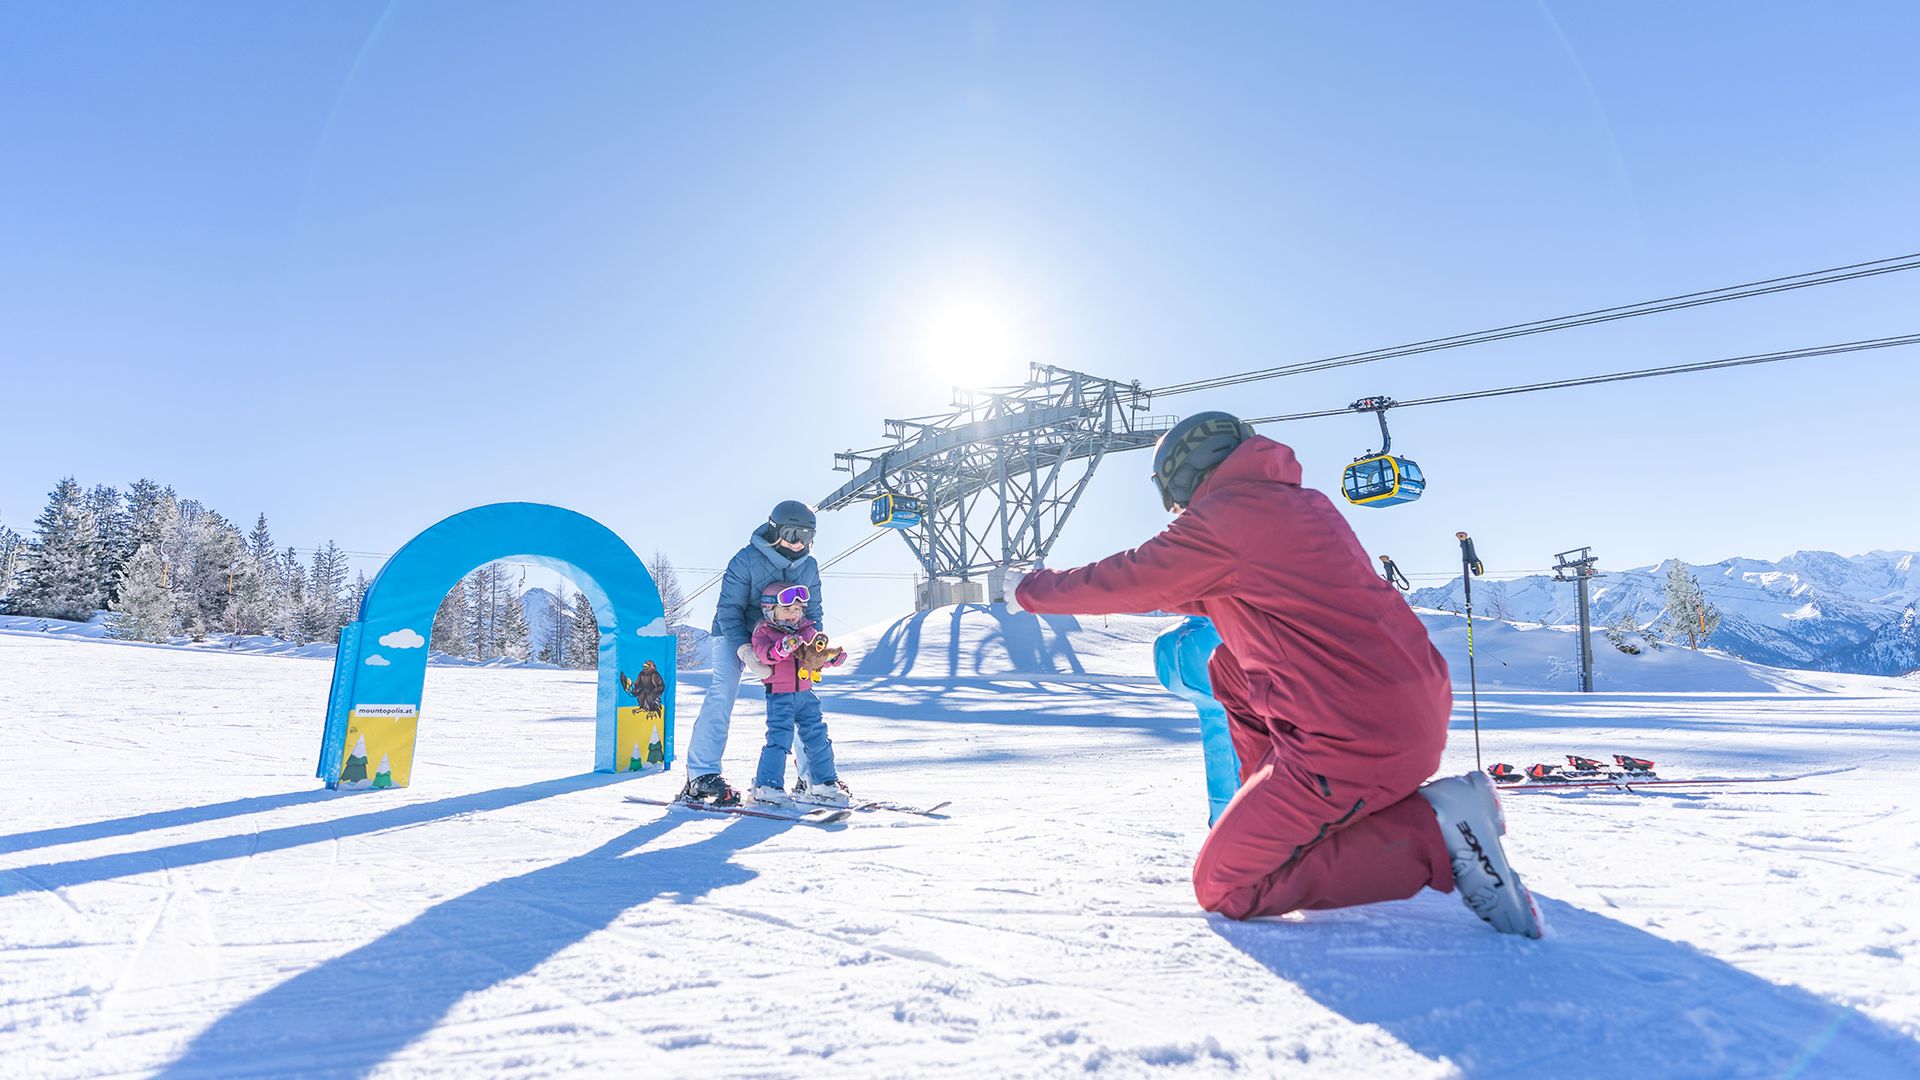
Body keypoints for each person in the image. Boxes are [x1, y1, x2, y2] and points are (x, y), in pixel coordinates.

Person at [1004, 411, 1544, 938]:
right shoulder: (1298, 506)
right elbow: (1201, 588)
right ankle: (1280, 807)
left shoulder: (1226, 519)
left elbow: (1132, 578)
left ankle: (1435, 831)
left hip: (1354, 737)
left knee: (1227, 886)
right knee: (1229, 666)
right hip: (1399, 705)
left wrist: (1030, 591)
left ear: (1181, 475)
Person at [680, 500, 826, 806]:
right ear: (774, 530)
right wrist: (745, 650)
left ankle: (811, 775)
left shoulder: (809, 566)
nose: (798, 542)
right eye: (791, 533)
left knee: (798, 693)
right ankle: (701, 774)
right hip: (736, 632)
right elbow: (728, 610)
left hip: (786, 636)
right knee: (724, 688)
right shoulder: (746, 559)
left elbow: (813, 612)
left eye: (806, 535)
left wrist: (813, 649)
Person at [748, 582, 851, 805]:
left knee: (818, 738)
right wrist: (782, 648)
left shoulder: (808, 632)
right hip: (780, 696)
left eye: (797, 609)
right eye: (787, 609)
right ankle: (767, 785)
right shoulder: (764, 632)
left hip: (806, 695)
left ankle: (824, 783)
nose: (793, 614)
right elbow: (764, 655)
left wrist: (831, 659)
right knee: (780, 739)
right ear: (769, 610)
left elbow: (815, 657)